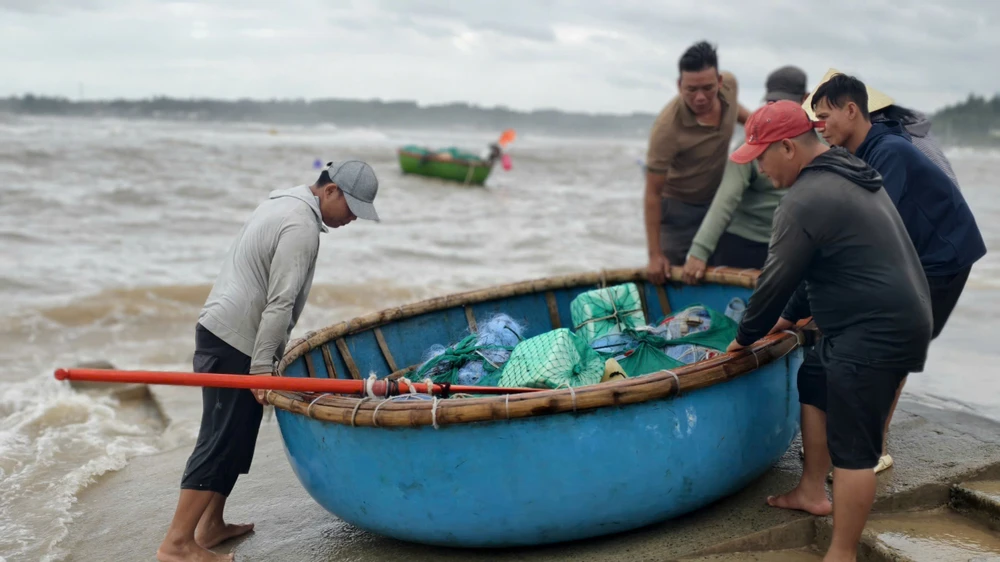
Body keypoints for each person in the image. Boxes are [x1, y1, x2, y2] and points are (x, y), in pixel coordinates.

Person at [724, 100, 932, 562]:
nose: (759, 168)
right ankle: (811, 492)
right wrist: (784, 318)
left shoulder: (805, 199)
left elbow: (773, 282)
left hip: (877, 329)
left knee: (853, 447)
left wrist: (741, 340)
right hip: (885, 315)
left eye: (761, 156)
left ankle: (841, 553)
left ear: (787, 148)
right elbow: (811, 269)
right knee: (813, 379)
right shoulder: (846, 172)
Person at [156, 161, 381, 562]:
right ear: (330, 191)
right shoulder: (301, 227)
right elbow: (279, 302)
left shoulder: (283, 200)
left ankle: (211, 525)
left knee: (237, 434)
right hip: (234, 342)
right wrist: (261, 369)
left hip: (226, 332)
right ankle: (177, 545)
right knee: (220, 439)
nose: (352, 219)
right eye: (352, 208)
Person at [810, 73, 986, 473]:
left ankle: (870, 451)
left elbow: (868, 232)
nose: (820, 127)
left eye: (824, 117)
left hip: (944, 257)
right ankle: (865, 444)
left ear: (852, 110)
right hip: (916, 252)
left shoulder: (889, 150)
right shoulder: (863, 149)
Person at [682, 66, 808, 283]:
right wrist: (699, 252)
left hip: (786, 249)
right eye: (772, 104)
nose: (777, 110)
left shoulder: (820, 146)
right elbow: (726, 198)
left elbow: (726, 198)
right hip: (752, 247)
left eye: (784, 104)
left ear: (806, 101)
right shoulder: (751, 146)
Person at [644, 40, 750, 284]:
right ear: (680, 85)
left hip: (717, 202)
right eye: (691, 90)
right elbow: (652, 192)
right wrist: (654, 255)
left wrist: (766, 127)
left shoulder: (730, 86)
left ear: (720, 82)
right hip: (679, 208)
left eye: (707, 88)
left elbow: (740, 113)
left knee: (724, 267)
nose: (700, 97)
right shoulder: (667, 129)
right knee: (677, 277)